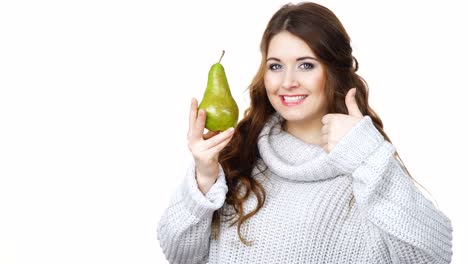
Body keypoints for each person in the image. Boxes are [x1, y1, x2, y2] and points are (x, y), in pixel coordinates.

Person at [157, 2, 453, 263]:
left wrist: (369, 154)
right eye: (276, 66)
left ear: (334, 72)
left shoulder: (368, 167)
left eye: (306, 65)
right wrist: (204, 176)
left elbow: (431, 256)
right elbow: (180, 255)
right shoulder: (238, 157)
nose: (287, 82)